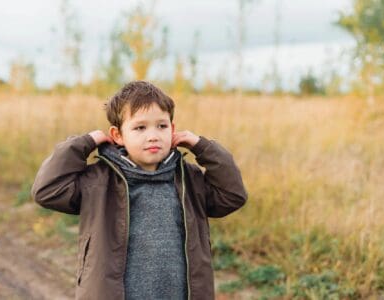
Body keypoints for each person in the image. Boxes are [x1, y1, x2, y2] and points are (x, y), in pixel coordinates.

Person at [31, 80, 247, 300]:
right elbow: (48, 190)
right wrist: (84, 142)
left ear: (172, 130)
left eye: (161, 126)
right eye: (140, 128)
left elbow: (232, 196)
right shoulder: (99, 180)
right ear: (117, 135)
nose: (153, 135)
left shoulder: (189, 180)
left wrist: (203, 147)